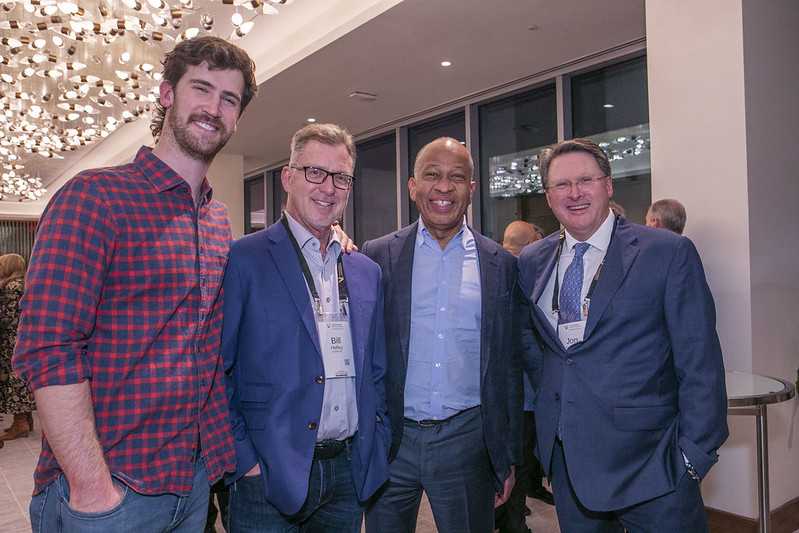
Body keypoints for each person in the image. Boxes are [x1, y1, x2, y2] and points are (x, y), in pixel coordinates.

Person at [13, 36, 258, 532]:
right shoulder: (94, 198)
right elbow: (48, 349)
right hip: (110, 490)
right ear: (167, 94)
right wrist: (93, 490)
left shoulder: (216, 220)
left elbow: (207, 348)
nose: (214, 108)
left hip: (192, 484)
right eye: (201, 88)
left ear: (237, 118)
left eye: (229, 99)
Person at [518, 138, 728, 531]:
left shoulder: (667, 252)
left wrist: (693, 457)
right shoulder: (532, 260)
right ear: (548, 196)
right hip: (570, 464)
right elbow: (536, 351)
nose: (574, 193)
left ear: (608, 184)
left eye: (586, 180)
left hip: (655, 467)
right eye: (561, 184)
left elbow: (699, 361)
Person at [221, 123, 391, 532]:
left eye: (341, 177)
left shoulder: (365, 270)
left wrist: (376, 438)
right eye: (315, 172)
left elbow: (377, 371)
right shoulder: (244, 259)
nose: (328, 187)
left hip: (348, 471)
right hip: (267, 473)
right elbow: (216, 371)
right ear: (288, 177)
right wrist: (245, 462)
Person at [362, 137, 523, 533]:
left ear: (472, 189)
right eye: (432, 175)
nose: (444, 187)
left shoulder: (500, 264)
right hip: (392, 441)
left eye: (457, 177)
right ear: (413, 186)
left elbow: (509, 366)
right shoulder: (377, 256)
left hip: (467, 441)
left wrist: (506, 456)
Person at [495, 222, 553, 533]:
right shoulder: (523, 274)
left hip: (490, 393)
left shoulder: (489, 267)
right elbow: (528, 340)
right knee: (517, 458)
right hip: (524, 392)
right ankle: (515, 525)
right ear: (531, 244)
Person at [0, 253, 35, 449]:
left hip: (11, 341)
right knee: (21, 379)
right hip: (21, 339)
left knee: (14, 382)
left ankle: (20, 422)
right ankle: (26, 419)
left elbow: (6, 317)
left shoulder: (11, 287)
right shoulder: (24, 283)